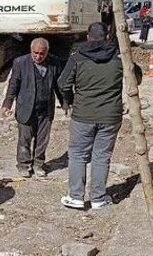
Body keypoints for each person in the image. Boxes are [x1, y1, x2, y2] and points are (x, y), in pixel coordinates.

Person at [59, 22, 142, 210]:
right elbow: (136, 79)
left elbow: (63, 83)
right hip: (110, 116)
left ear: (88, 36)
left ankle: (76, 196)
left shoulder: (77, 58)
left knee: (78, 155)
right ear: (107, 36)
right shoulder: (119, 58)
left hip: (83, 115)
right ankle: (98, 198)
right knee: (101, 156)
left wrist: (70, 100)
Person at [1, 38, 65, 178]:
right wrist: (7, 104)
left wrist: (65, 104)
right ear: (31, 51)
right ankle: (24, 165)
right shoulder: (20, 63)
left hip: (45, 109)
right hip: (26, 107)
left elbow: (58, 86)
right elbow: (13, 85)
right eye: (35, 53)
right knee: (25, 139)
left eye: (42, 54)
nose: (38, 56)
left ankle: (38, 164)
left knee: (42, 139)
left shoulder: (54, 63)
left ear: (47, 52)